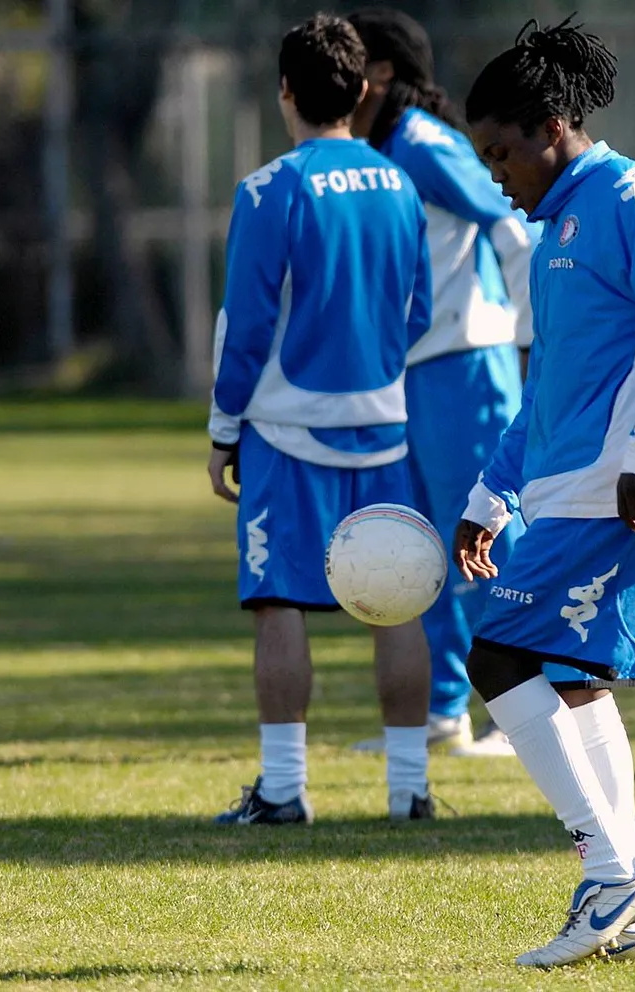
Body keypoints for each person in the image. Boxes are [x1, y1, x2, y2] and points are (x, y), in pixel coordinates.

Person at [456, 18, 635, 966]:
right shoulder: (558, 228)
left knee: (496, 652)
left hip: (630, 490)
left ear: (551, 126)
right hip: (580, 486)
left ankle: (614, 870)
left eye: (502, 151)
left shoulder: (630, 197)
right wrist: (493, 496)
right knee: (573, 682)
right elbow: (548, 392)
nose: (497, 172)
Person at [206, 14, 436, 825]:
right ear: (361, 89)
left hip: (286, 431)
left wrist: (223, 427)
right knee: (398, 600)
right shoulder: (399, 183)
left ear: (286, 93)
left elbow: (245, 323)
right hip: (384, 427)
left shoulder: (271, 188)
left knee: (278, 602)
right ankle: (409, 789)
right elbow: (419, 311)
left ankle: (283, 790)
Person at [345, 7, 535, 757]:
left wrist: (527, 337)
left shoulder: (422, 142)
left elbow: (513, 219)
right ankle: (445, 711)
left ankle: (523, 716)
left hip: (469, 362)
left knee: (493, 535)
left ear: (383, 73)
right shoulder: (384, 145)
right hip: (420, 372)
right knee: (427, 543)